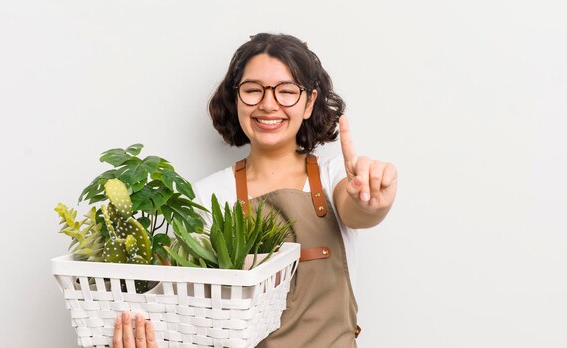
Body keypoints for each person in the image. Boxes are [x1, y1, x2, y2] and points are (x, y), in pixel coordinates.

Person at [113, 33, 397, 348]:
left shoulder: (334, 179)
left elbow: (358, 210)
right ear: (236, 100)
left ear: (309, 103)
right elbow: (187, 313)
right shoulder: (207, 197)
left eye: (287, 91)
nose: (268, 104)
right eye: (252, 90)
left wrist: (370, 200)